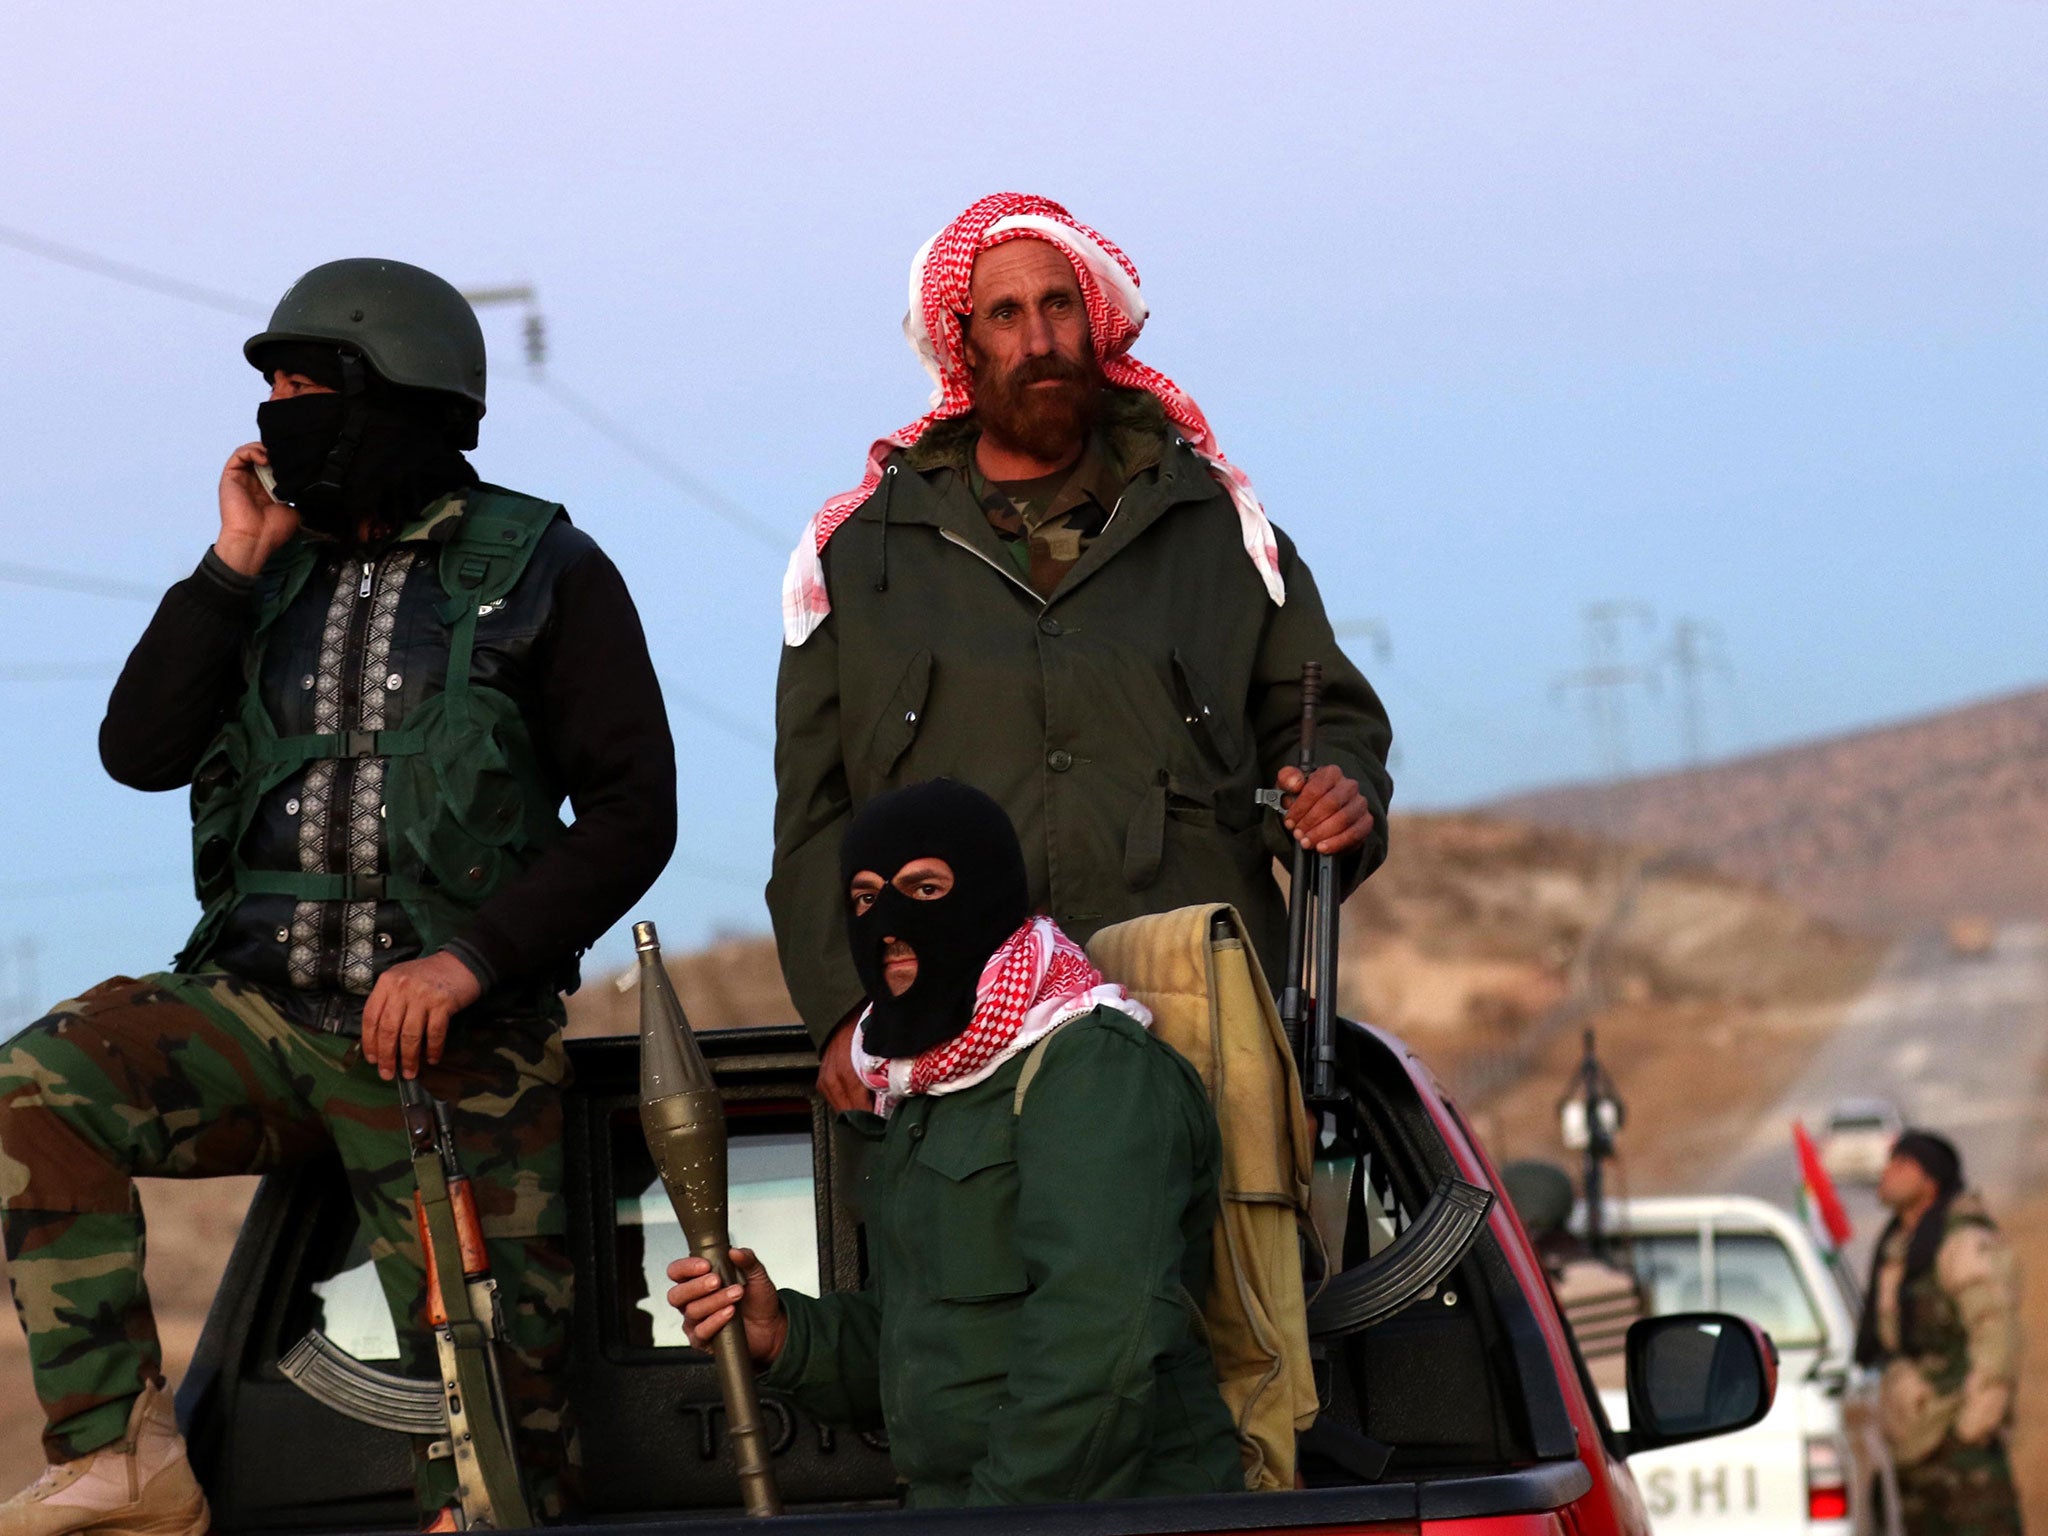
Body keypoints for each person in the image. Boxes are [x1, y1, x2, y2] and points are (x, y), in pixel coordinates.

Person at [0, 258, 676, 1533]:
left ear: (403, 397)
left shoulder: (546, 567)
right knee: (39, 1091)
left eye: (309, 391)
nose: (278, 420)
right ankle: (116, 1458)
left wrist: (468, 962)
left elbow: (635, 815)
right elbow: (136, 750)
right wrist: (228, 569)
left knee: (500, 1462)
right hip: (261, 1016)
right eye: (273, 393)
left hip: (452, 1048)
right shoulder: (266, 571)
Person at [770, 192, 1393, 1111]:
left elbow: (1326, 718)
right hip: (952, 1033)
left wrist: (1339, 789)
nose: (1037, 340)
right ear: (963, 343)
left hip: (1192, 1024)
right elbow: (815, 814)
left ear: (1094, 322)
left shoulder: (1216, 531)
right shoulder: (861, 559)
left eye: (1059, 306)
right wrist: (839, 1013)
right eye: (1005, 315)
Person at [672, 779, 1242, 1507]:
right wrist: (783, 1333)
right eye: (866, 899)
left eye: (925, 888)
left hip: (1107, 1515)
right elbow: (928, 1338)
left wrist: (992, 1526)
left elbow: (1100, 1351)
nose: (890, 924)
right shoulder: (930, 1091)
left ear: (991, 897)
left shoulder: (1089, 1067)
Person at [1856, 1130, 2023, 1536]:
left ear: (1930, 1181)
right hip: (1914, 1446)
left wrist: (1972, 1427)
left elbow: (1996, 1333)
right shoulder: (1896, 1245)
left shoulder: (1962, 1242)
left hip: (1960, 1451)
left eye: (1902, 1164)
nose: (1887, 1173)